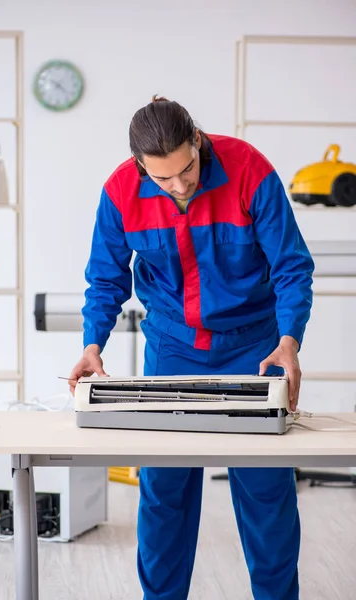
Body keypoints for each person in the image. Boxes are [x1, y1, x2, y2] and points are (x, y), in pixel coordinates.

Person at [68, 96, 314, 600]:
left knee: (266, 494)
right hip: (172, 347)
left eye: (187, 170)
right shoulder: (119, 192)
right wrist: (93, 344)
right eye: (163, 180)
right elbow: (105, 278)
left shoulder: (249, 171)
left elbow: (292, 267)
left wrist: (289, 342)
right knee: (164, 492)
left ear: (197, 142)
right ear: (141, 167)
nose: (180, 186)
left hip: (255, 348)